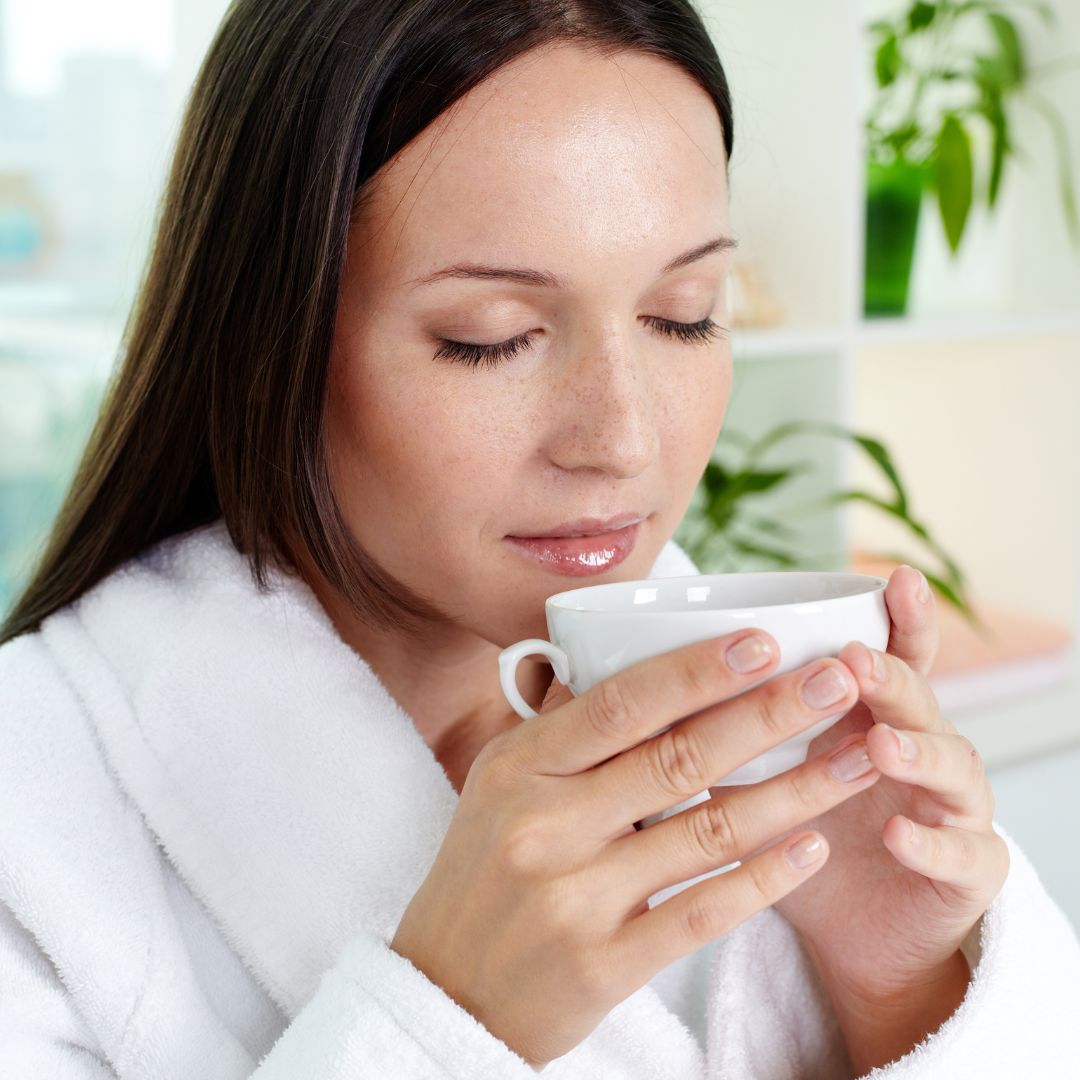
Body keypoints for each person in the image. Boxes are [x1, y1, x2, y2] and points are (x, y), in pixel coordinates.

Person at [1, 1, 1078, 1076]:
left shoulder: (793, 738)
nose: (624, 439)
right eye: (492, 340)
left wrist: (902, 992)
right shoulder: (35, 814)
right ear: (267, 337)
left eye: (685, 314)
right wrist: (449, 1017)